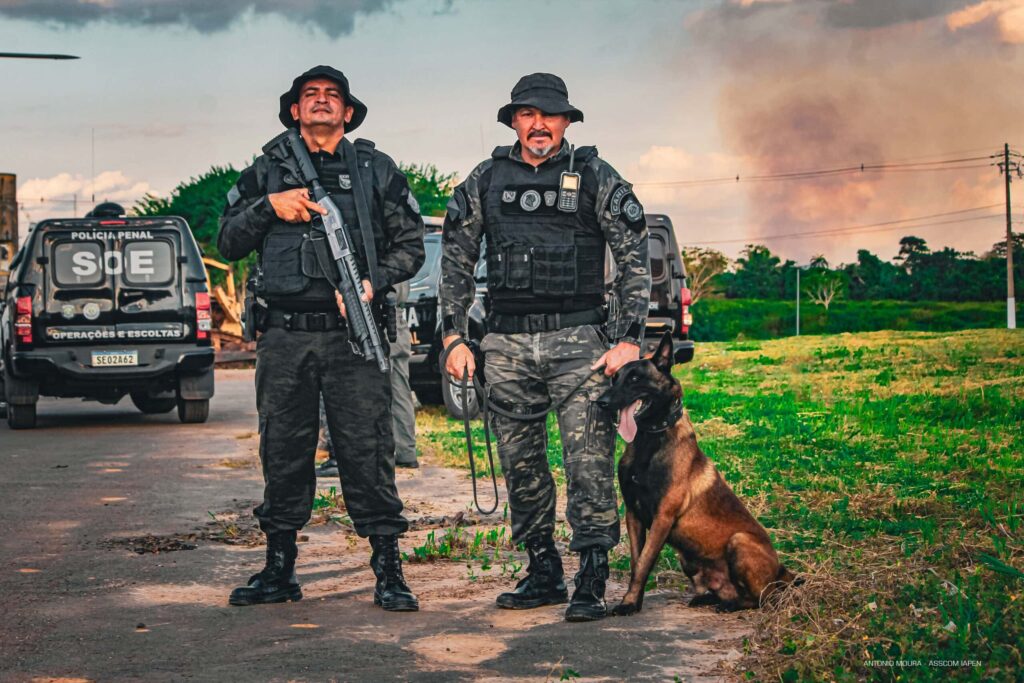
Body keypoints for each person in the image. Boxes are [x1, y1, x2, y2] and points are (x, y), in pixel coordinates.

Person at [439, 73, 651, 622]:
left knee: (589, 460)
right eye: (528, 114)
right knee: (521, 462)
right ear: (513, 120)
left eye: (550, 115)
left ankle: (592, 573)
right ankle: (542, 569)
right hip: (505, 342)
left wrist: (629, 339)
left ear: (566, 122)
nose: (539, 124)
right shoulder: (486, 179)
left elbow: (633, 260)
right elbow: (457, 260)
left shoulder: (596, 176)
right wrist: (454, 336)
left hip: (580, 340)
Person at [218, 65, 425, 611]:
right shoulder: (266, 171)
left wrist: (370, 281)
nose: (321, 102)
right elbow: (228, 239)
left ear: (348, 113)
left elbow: (411, 246)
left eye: (333, 96)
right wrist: (270, 206)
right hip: (285, 338)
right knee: (282, 450)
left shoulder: (375, 170)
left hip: (352, 339)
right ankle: (279, 570)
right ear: (294, 110)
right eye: (310, 95)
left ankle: (388, 570)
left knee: (368, 450)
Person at [317, 278, 416, 475]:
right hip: (396, 316)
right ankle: (405, 451)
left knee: (378, 392)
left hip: (379, 317)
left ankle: (382, 452)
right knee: (400, 388)